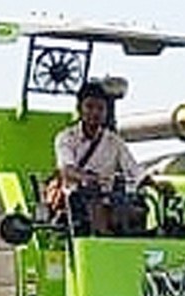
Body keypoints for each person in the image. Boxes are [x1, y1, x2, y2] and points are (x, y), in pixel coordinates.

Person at [52, 82, 144, 234]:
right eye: (89, 107)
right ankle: (101, 237)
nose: (95, 112)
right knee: (91, 193)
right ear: (79, 109)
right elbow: (66, 170)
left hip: (111, 200)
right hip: (75, 202)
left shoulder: (114, 141)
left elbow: (134, 170)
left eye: (100, 108)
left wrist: (154, 184)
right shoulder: (66, 138)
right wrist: (88, 178)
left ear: (106, 112)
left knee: (136, 208)